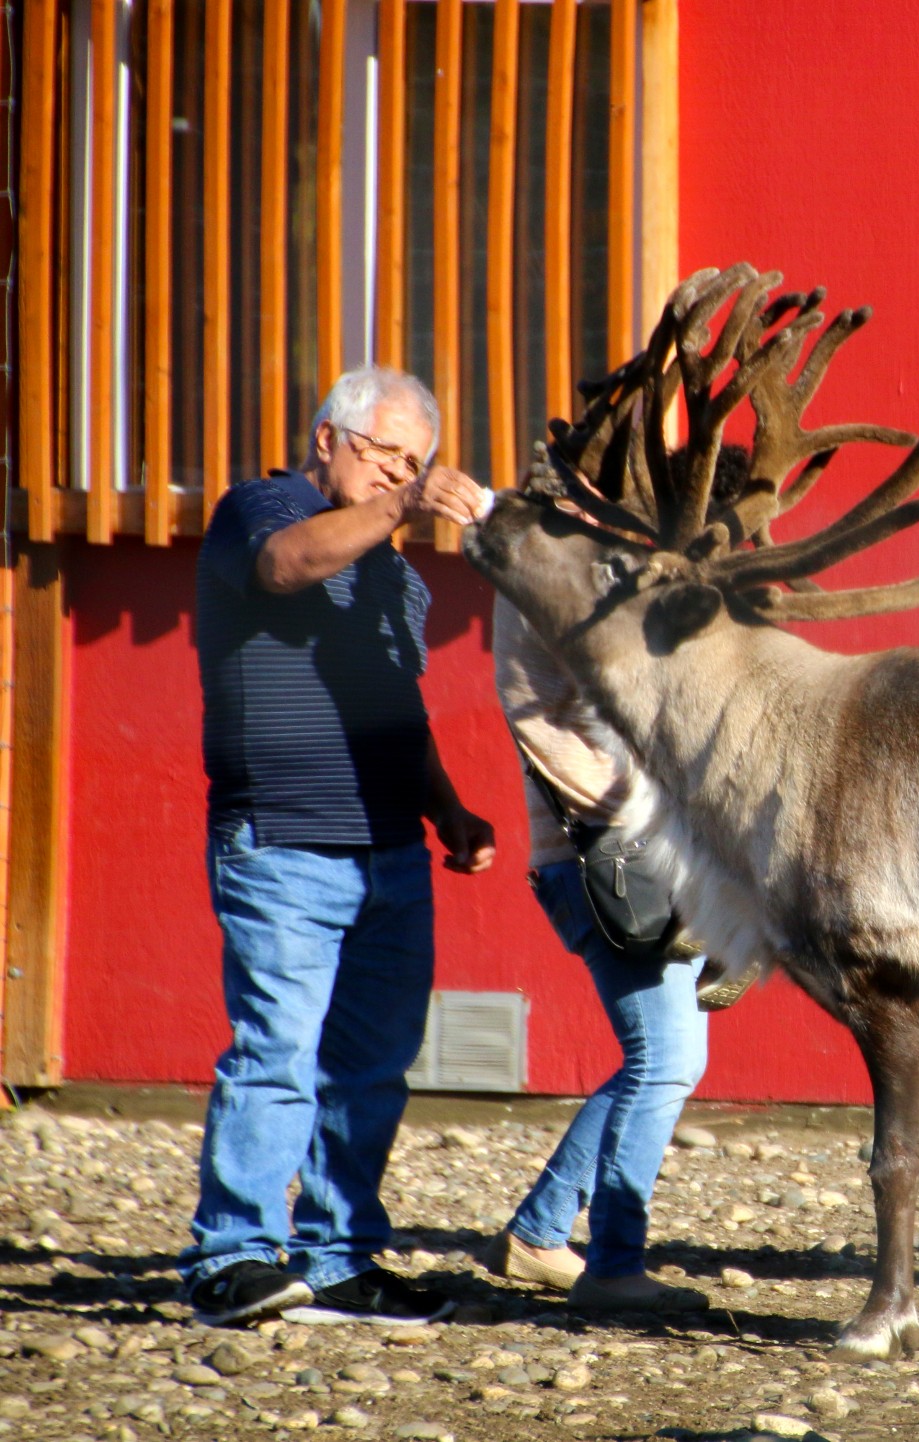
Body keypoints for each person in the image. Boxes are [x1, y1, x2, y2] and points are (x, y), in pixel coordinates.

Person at [182, 366, 496, 1328]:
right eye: (384, 453)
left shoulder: (395, 577)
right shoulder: (261, 509)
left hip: (390, 854)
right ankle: (230, 1257)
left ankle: (337, 1257)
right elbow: (287, 566)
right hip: (283, 843)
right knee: (276, 1052)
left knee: (371, 1066)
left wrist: (449, 810)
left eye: (416, 462)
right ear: (328, 439)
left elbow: (396, 710)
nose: (399, 473)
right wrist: (403, 503)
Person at [479, 591, 712, 1312]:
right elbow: (541, 720)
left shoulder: (605, 565)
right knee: (665, 1060)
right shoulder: (540, 581)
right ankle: (612, 1265)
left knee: (664, 1060)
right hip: (614, 860)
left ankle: (539, 1233)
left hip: (646, 852)